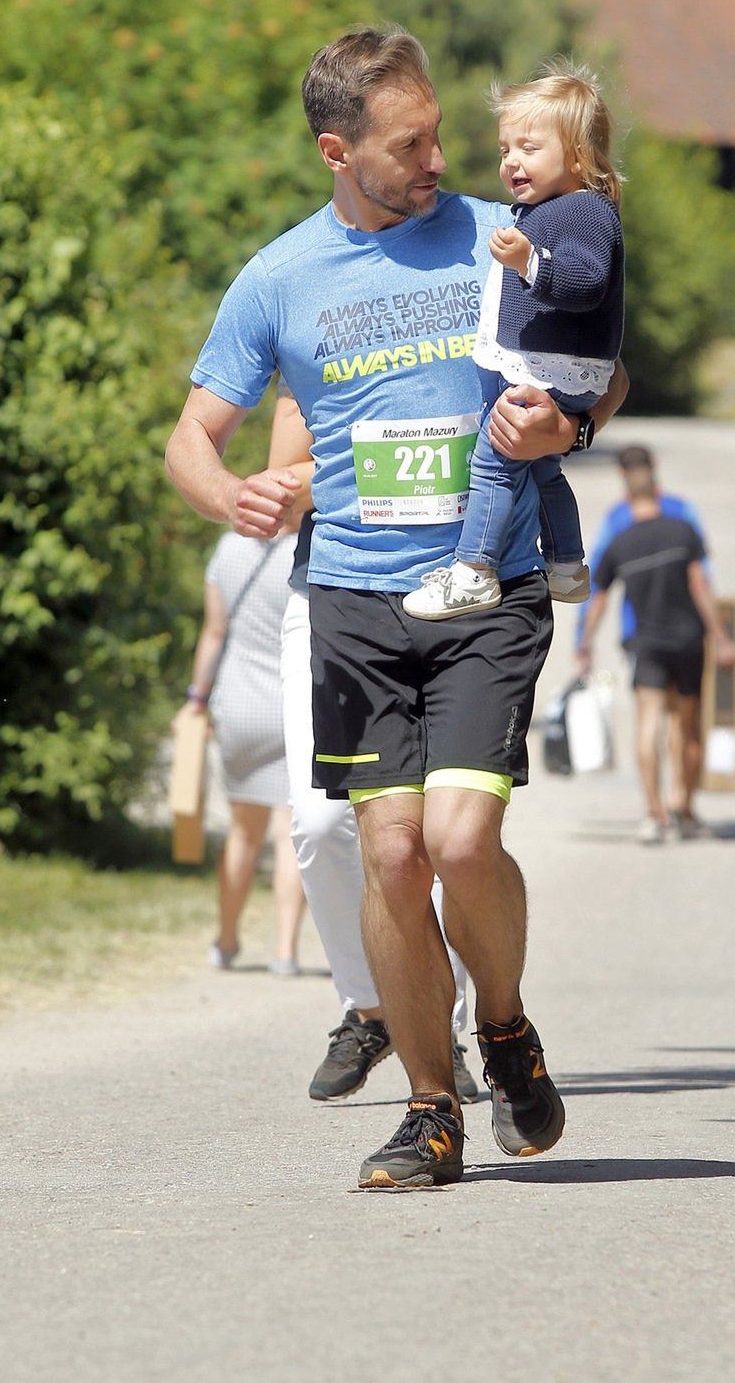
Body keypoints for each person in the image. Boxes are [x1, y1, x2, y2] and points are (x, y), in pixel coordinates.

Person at [166, 27, 628, 1190]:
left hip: (487, 581)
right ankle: (431, 1110)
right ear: (338, 151)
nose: (436, 159)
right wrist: (238, 497)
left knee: (463, 844)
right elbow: (192, 439)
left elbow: (606, 362)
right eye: (407, 143)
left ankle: (506, 1025)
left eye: (436, 134)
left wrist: (569, 426)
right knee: (391, 855)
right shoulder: (279, 277)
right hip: (358, 596)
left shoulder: (497, 231)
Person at [268, 392, 479, 1106]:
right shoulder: (313, 301)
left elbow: (593, 370)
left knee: (429, 832)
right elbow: (283, 476)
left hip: (458, 589)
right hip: (334, 595)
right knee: (321, 824)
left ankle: (443, 1026)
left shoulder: (476, 286)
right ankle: (370, 1008)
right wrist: (379, 452)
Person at [403, 61, 623, 620]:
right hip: (548, 368)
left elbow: (586, 281)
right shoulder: (552, 209)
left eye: (528, 147)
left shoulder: (586, 210)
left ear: (576, 156)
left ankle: (474, 570)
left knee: (494, 463)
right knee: (543, 465)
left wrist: (530, 260)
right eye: (505, 150)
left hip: (553, 372)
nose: (511, 162)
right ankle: (568, 566)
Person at [576, 457, 735, 845]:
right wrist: (722, 636)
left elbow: (597, 598)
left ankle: (653, 813)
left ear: (627, 497)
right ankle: (683, 804)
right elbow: (700, 585)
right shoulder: (682, 530)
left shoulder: (621, 540)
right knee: (687, 725)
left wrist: (584, 642)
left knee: (648, 723)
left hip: (645, 643)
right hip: (687, 641)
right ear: (658, 491)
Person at [176, 529, 306, 972]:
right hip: (293, 703)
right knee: (290, 835)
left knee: (242, 831)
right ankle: (285, 951)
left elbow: (214, 632)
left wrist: (196, 699)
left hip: (239, 703)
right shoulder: (305, 548)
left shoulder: (229, 548)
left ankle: (227, 941)